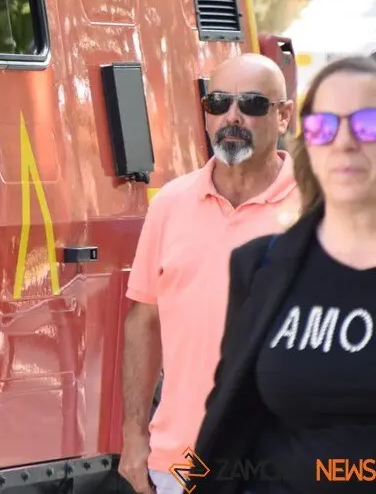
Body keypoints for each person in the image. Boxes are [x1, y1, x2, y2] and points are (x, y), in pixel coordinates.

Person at [119, 53, 300, 494]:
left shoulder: (319, 208)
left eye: (252, 104)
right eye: (218, 103)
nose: (231, 117)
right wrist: (134, 434)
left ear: (284, 115)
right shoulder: (170, 204)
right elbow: (144, 320)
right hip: (180, 465)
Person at [194, 56, 376, 494]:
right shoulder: (259, 266)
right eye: (324, 127)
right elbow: (232, 419)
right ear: (307, 143)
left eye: (367, 123)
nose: (344, 142)